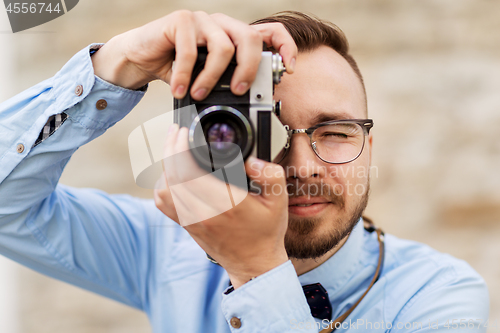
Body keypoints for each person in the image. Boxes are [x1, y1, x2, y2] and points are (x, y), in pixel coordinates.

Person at [0, 10, 489, 333]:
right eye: (265, 130)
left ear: (367, 145)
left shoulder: (440, 298)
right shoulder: (167, 246)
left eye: (335, 132)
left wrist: (256, 268)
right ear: (211, 137)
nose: (300, 166)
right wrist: (119, 61)